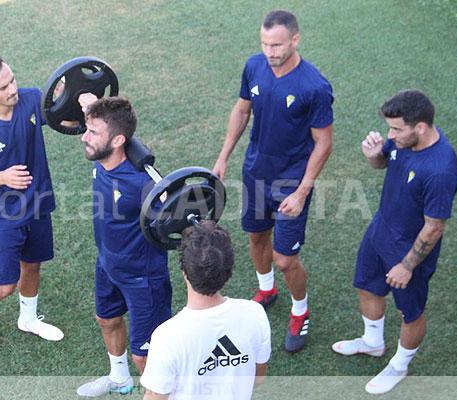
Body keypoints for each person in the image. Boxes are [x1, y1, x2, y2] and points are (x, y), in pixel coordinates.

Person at [212, 10, 333, 353]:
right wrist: (223, 158)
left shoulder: (314, 87)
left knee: (285, 259)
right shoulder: (254, 66)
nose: (270, 51)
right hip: (255, 173)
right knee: (255, 236)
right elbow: (241, 110)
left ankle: (300, 310)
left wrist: (302, 190)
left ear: (295, 40)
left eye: (277, 45)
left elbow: (323, 142)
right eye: (265, 44)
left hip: (291, 183)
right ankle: (266, 290)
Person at [332, 90, 457, 394]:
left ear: (421, 127)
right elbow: (384, 163)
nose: (391, 135)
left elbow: (434, 227)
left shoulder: (440, 169)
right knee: (366, 285)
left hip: (409, 251)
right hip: (381, 231)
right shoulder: (404, 141)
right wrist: (373, 155)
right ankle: (373, 342)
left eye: (396, 129)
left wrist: (406, 266)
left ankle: (400, 365)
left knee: (410, 312)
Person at [0, 53, 63, 354]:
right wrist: (3, 176)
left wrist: (69, 96)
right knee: (3, 285)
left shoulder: (30, 99)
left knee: (32, 265)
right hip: (3, 215)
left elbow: (64, 119)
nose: (12, 90)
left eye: (12, 80)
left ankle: (28, 318)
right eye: (2, 88)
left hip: (38, 204)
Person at [75, 96, 172, 397]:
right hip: (108, 263)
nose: (84, 137)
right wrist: (84, 98)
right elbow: (96, 108)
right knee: (107, 318)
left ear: (118, 140)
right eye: (87, 129)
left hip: (144, 278)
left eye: (92, 132)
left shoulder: (142, 183)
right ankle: (119, 379)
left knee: (147, 357)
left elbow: (179, 214)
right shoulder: (103, 156)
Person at [141, 221, 271, 400]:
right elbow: (258, 378)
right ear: (228, 270)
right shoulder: (255, 314)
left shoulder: (166, 337)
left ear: (184, 271)